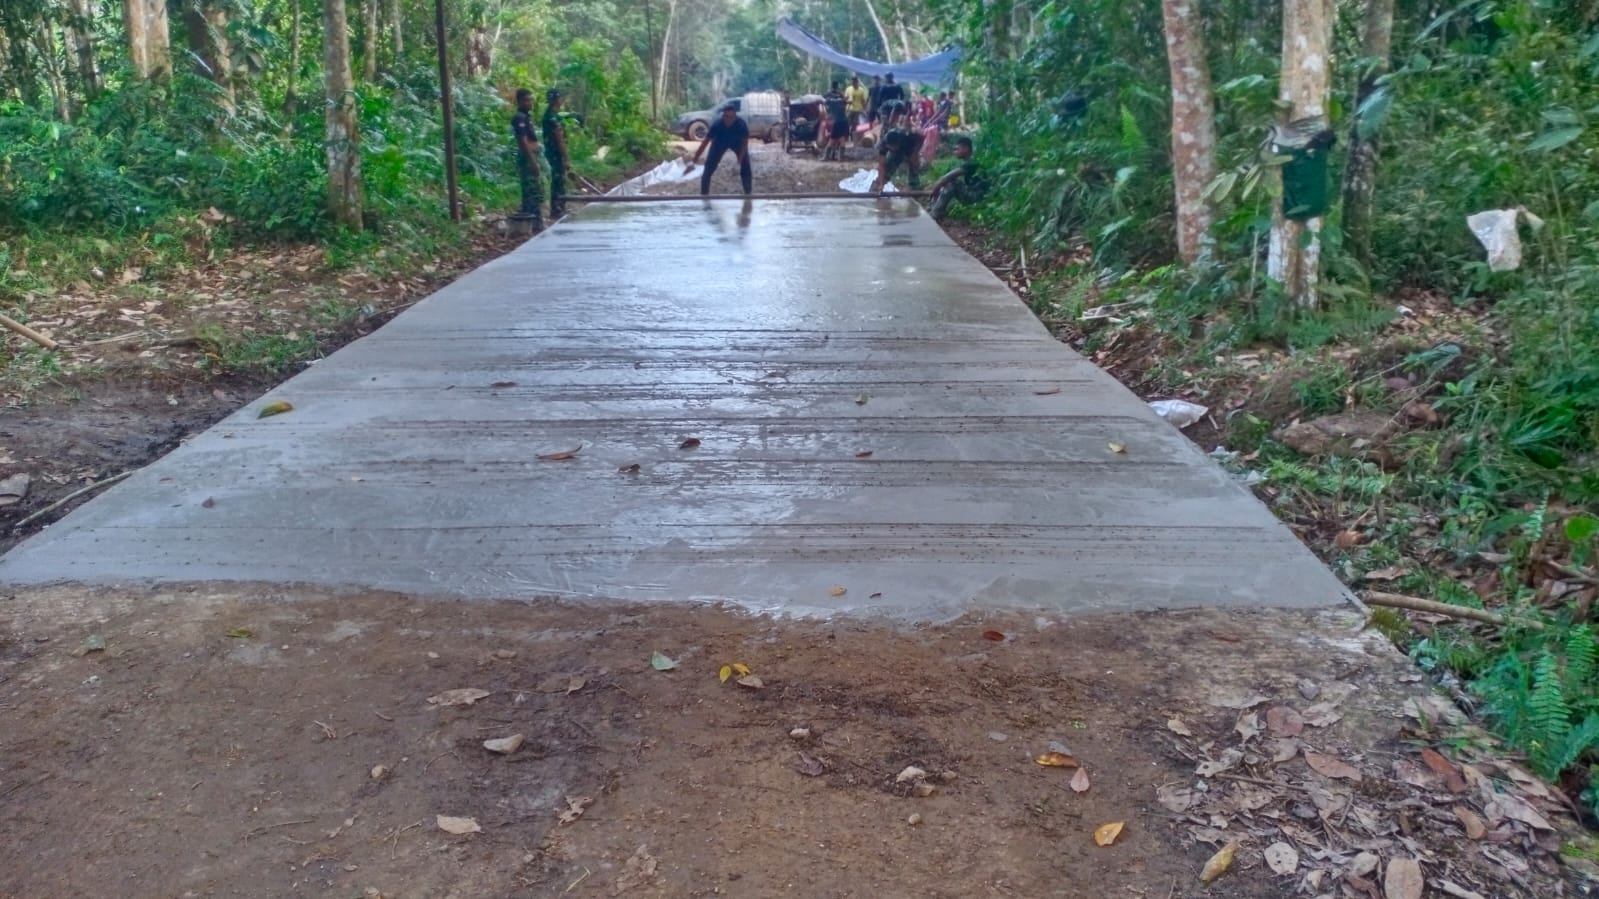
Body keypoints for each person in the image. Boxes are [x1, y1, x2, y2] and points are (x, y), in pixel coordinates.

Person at [690, 103, 752, 195]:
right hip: (719, 144)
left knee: (745, 166)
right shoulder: (717, 125)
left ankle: (748, 193)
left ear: (735, 117)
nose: (728, 119)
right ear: (723, 116)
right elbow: (705, 143)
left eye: (731, 117)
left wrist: (739, 160)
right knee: (708, 168)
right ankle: (704, 195)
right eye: (726, 116)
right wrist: (695, 158)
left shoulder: (741, 125)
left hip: (737, 144)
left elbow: (744, 143)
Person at [929, 135, 986, 221]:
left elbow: (947, 177)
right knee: (949, 184)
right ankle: (936, 209)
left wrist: (935, 189)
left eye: (957, 149)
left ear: (966, 149)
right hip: (977, 194)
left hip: (976, 196)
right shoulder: (972, 161)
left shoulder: (971, 163)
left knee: (953, 182)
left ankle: (936, 213)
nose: (956, 152)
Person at [871, 101, 923, 194]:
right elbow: (882, 164)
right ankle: (878, 185)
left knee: (913, 165)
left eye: (894, 147)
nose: (892, 149)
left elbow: (921, 137)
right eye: (890, 148)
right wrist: (882, 184)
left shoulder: (908, 136)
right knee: (889, 166)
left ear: (898, 142)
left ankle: (915, 187)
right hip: (898, 152)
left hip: (910, 148)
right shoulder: (884, 143)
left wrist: (915, 153)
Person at [511, 88, 544, 229]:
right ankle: (533, 223)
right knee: (531, 190)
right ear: (519, 101)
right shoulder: (519, 118)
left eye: (531, 100)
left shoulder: (526, 117)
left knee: (535, 189)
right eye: (526, 100)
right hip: (528, 158)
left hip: (533, 156)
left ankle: (534, 222)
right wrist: (533, 162)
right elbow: (523, 141)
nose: (529, 103)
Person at [542, 89, 571, 218]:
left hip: (551, 153)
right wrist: (565, 157)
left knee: (557, 180)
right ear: (556, 100)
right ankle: (557, 209)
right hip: (555, 154)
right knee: (558, 180)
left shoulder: (550, 115)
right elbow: (559, 138)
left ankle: (558, 207)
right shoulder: (552, 117)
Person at [823, 81, 849, 161]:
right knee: (841, 139)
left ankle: (827, 157)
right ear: (837, 86)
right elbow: (845, 100)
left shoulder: (831, 99)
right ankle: (840, 157)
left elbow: (826, 100)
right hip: (844, 121)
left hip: (838, 121)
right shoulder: (841, 96)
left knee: (832, 140)